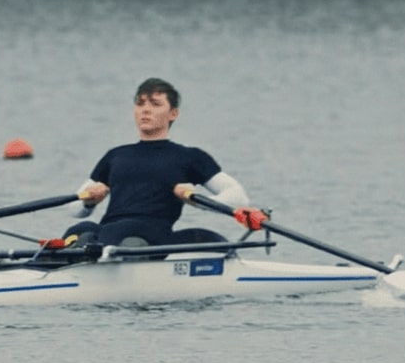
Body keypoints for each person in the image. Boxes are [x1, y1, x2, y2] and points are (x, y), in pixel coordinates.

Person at [64, 77, 268, 247]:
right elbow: (74, 209)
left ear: (173, 113)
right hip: (110, 233)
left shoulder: (190, 157)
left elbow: (239, 198)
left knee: (118, 231)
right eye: (140, 103)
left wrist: (195, 199)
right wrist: (89, 202)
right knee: (79, 230)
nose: (145, 110)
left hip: (153, 234)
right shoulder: (115, 155)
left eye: (155, 104)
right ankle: (52, 264)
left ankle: (89, 258)